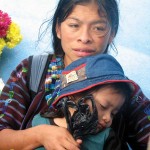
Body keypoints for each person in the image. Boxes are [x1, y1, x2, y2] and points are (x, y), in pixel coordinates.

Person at [0, 0, 149, 149]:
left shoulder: (122, 88)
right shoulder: (32, 71)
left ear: (112, 33)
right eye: (74, 25)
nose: (84, 38)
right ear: (58, 28)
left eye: (98, 28)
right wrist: (40, 134)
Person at [32, 54, 137, 150]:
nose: (108, 119)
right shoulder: (39, 122)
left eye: (114, 114)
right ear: (73, 94)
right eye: (103, 106)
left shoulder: (107, 138)